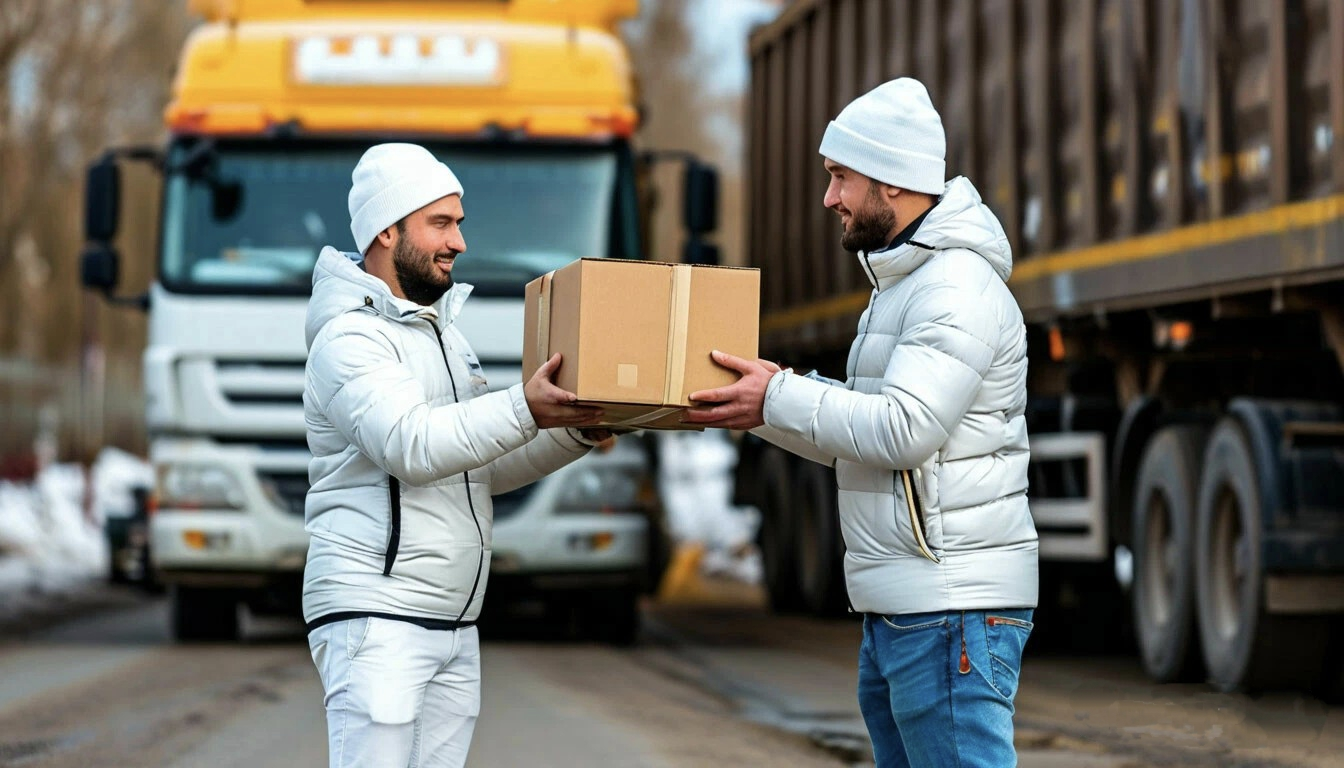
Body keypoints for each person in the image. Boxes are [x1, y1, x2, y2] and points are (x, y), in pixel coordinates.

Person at [684, 79, 1039, 767]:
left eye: (840, 177)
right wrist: (759, 407)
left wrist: (780, 396)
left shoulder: (954, 287)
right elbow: (865, 435)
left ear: (894, 182)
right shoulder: (903, 288)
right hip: (910, 610)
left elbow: (905, 429)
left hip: (949, 611)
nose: (829, 198)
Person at [302, 143, 609, 768]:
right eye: (440, 223)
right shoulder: (349, 338)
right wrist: (525, 407)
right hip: (377, 617)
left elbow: (474, 466)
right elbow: (411, 447)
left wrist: (574, 427)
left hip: (452, 621)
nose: (459, 241)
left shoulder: (441, 334)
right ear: (386, 230)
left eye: (458, 223)